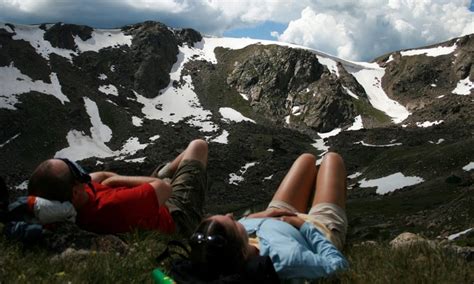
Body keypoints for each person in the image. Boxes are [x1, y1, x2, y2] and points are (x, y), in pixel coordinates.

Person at [188, 152, 349, 280]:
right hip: (317, 227)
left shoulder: (230, 243)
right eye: (233, 222)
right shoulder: (287, 260)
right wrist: (302, 225)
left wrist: (263, 214)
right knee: (332, 159)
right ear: (243, 252)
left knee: (306, 159)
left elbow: (236, 229)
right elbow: (337, 265)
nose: (231, 215)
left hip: (273, 215)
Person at [27, 139, 208, 236]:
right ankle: (166, 174)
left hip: (147, 203)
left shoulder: (74, 203)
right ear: (75, 192)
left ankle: (164, 172)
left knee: (164, 174)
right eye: (75, 174)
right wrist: (114, 182)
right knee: (198, 146)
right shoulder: (113, 205)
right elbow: (164, 190)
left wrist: (106, 181)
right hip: (175, 216)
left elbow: (99, 176)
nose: (84, 178)